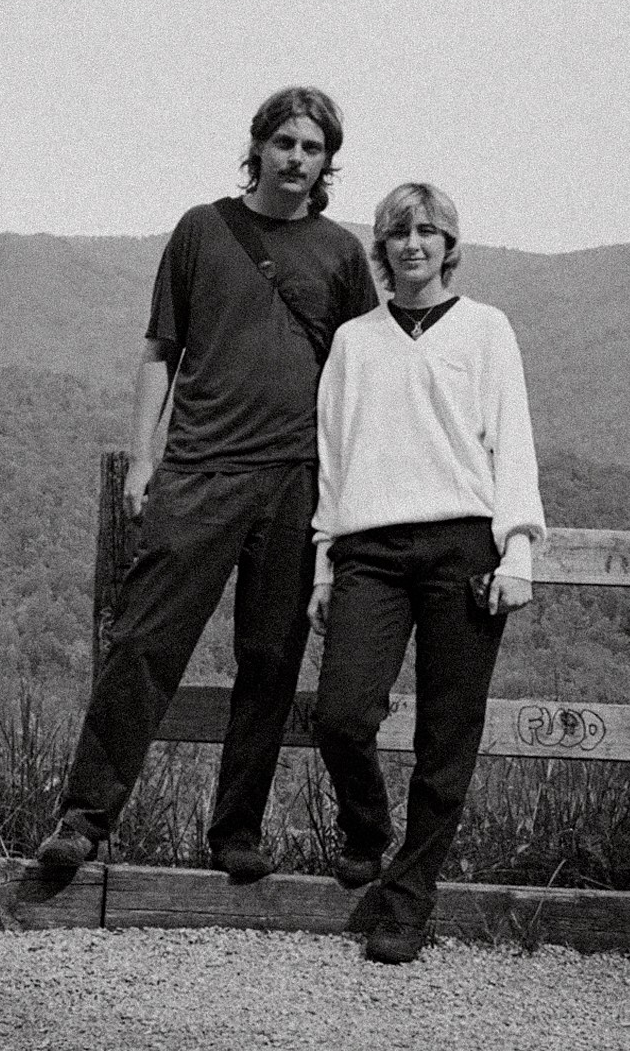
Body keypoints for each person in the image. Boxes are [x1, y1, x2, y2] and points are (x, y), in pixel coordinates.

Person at [37, 87, 379, 881]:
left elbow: (364, 373)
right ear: (258, 147)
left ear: (328, 163)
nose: (297, 158)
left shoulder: (340, 254)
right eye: (285, 142)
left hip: (297, 480)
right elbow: (160, 352)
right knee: (144, 643)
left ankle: (235, 834)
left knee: (270, 663)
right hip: (198, 471)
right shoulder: (203, 230)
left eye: (313, 148)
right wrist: (144, 458)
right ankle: (83, 821)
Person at [307, 182, 546, 963]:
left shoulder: (486, 329)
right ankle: (366, 828)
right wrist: (323, 567)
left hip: (462, 549)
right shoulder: (355, 342)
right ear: (381, 246)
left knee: (448, 737)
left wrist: (518, 550)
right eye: (398, 232)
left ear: (448, 244)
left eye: (427, 231)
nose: (412, 244)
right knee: (341, 715)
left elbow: (512, 442)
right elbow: (333, 459)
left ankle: (408, 901)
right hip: (369, 551)